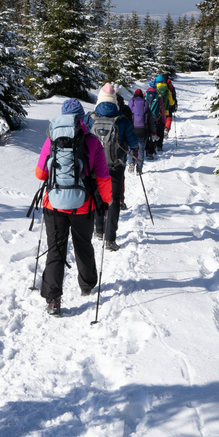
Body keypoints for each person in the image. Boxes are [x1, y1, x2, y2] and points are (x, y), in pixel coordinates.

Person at [35, 98, 114, 316]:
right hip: (83, 205)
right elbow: (103, 177)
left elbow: (40, 174)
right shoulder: (92, 142)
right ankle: (87, 285)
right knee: (83, 244)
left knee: (55, 250)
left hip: (54, 205)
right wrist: (107, 201)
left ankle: (52, 299)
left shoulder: (51, 139)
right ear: (82, 119)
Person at [90, 83, 138, 251]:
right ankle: (110, 239)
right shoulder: (122, 120)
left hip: (96, 166)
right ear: (115, 101)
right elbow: (133, 142)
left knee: (98, 197)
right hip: (116, 165)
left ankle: (99, 231)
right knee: (114, 200)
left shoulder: (92, 118)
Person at [129, 87, 151, 163]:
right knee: (141, 149)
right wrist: (153, 131)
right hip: (143, 130)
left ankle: (132, 161)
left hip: (133, 129)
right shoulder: (145, 103)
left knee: (133, 147)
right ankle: (139, 167)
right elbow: (150, 120)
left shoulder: (131, 104)